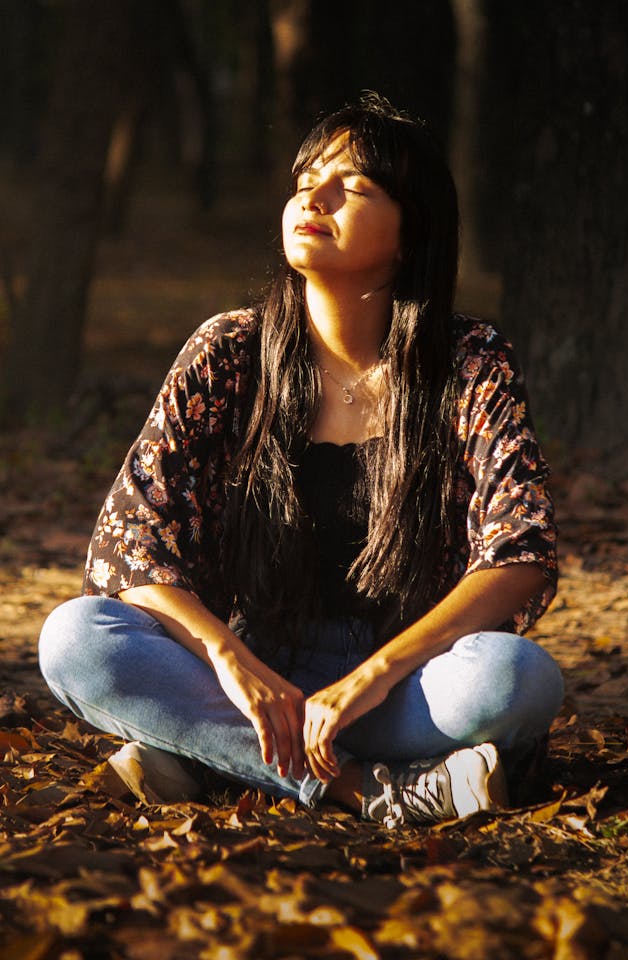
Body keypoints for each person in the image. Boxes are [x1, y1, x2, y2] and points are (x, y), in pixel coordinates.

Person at [39, 93, 563, 828]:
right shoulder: (229, 352)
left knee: (515, 678)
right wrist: (233, 665)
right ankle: (367, 789)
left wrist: (374, 678)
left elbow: (520, 551)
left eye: (352, 186)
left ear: (413, 232)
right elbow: (136, 541)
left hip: (403, 683)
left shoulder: (470, 361)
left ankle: (206, 760)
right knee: (76, 640)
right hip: (251, 677)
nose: (311, 197)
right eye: (306, 177)